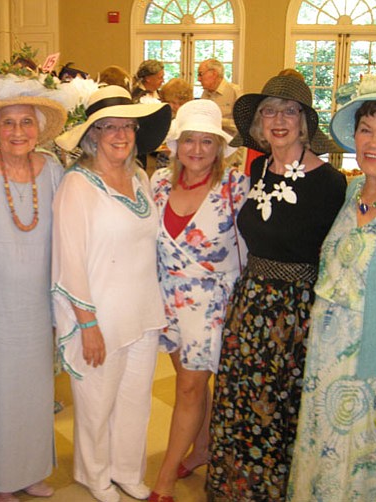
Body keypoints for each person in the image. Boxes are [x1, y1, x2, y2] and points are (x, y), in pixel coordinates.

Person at [206, 75, 347, 501]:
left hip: (296, 313)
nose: (278, 119)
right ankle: (237, 488)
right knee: (241, 399)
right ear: (259, 123)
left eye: (289, 111)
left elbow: (335, 256)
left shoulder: (330, 183)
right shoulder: (256, 168)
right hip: (249, 304)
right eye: (269, 110)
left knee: (281, 409)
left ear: (304, 122)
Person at [288, 64, 376, 501]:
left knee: (371, 479)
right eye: (367, 130)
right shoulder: (350, 194)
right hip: (328, 366)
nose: (374, 143)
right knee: (328, 468)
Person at [53, 85, 172, 502]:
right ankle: (95, 474)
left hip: (142, 310)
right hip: (99, 316)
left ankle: (126, 470)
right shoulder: (77, 186)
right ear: (92, 135)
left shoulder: (139, 178)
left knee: (136, 400)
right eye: (109, 127)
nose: (120, 135)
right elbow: (69, 261)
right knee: (96, 402)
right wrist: (87, 324)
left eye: (128, 126)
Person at [0, 73, 68, 502]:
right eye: (9, 123)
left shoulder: (54, 169)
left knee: (35, 393)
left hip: (37, 306)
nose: (18, 132)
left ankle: (30, 471)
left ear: (38, 128)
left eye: (26, 122)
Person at [148, 99, 249, 502]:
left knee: (189, 389)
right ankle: (203, 446)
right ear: (176, 145)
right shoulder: (157, 182)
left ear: (219, 148)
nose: (197, 149)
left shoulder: (235, 187)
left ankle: (165, 479)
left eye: (207, 142)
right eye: (189, 140)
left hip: (212, 306)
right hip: (167, 302)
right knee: (192, 383)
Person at [197, 59, 242, 138]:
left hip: (230, 145)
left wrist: (216, 121)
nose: (198, 79)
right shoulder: (205, 94)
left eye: (201, 74)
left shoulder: (234, 91)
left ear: (214, 74)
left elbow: (243, 124)